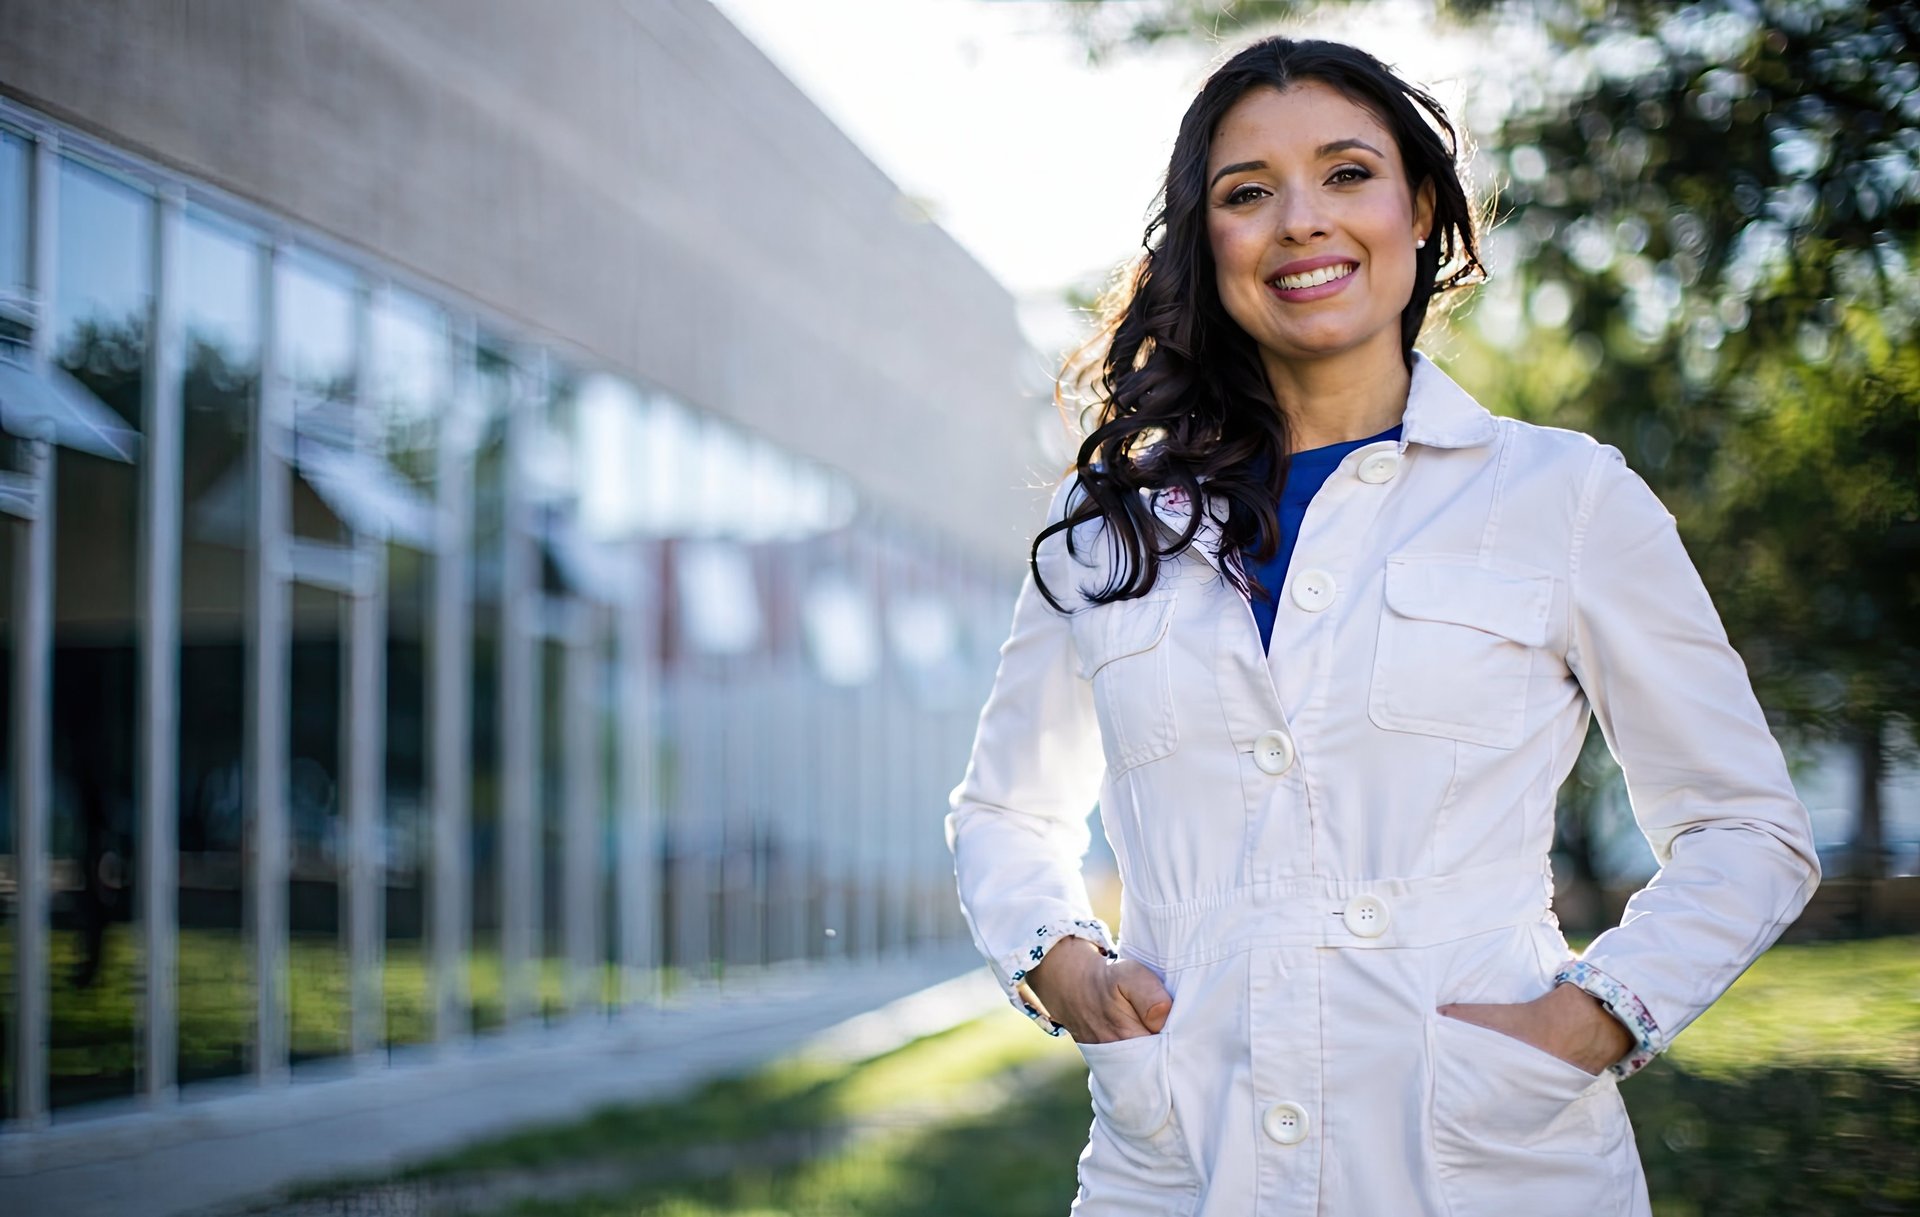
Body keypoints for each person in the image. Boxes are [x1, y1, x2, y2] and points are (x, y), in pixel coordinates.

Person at [944, 35, 1821, 1217]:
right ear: (1209, 244)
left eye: (1348, 173)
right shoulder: (1106, 527)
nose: (1302, 219)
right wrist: (1061, 966)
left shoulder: (1563, 497)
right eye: (1247, 193)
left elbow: (1746, 826)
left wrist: (1591, 1018)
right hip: (1179, 1169)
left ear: (1418, 210)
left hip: (1488, 1165)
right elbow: (1003, 808)